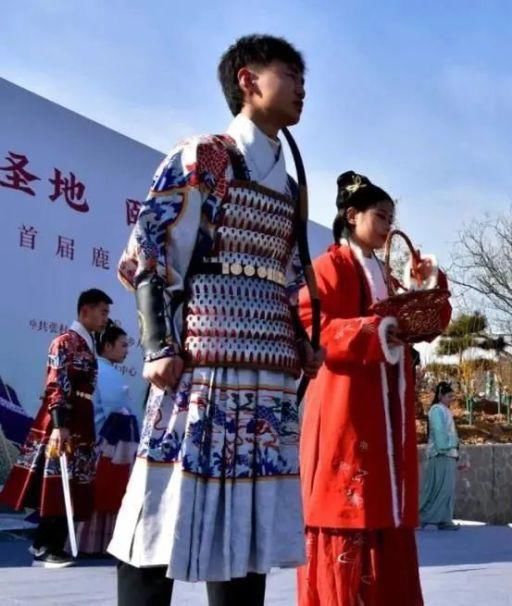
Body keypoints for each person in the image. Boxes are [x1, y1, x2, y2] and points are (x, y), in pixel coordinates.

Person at [108, 35, 323, 605]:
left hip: (267, 373)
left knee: (247, 528)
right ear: (249, 80)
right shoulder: (202, 155)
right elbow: (147, 252)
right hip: (200, 364)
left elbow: (290, 272)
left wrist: (302, 339)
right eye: (289, 73)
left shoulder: (291, 184)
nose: (302, 86)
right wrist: (158, 346)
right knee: (162, 510)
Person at [295, 170, 450, 606]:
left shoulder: (387, 274)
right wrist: (376, 331)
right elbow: (311, 326)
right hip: (346, 408)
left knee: (385, 516)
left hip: (387, 413)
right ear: (351, 215)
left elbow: (434, 319)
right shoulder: (328, 267)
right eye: (380, 216)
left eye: (390, 218)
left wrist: (422, 285)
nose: (386, 226)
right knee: (347, 514)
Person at [0, 288, 112, 568]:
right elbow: (56, 384)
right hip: (64, 422)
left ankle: (48, 542)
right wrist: (60, 425)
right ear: (85, 310)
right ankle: (45, 546)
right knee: (56, 482)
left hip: (82, 421)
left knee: (72, 483)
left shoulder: (86, 345)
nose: (105, 319)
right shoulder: (64, 342)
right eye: (103, 312)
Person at [76, 322, 140, 555]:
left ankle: (91, 543)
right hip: (111, 446)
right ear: (107, 346)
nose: (126, 350)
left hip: (101, 444)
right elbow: (118, 410)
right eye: (123, 345)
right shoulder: (106, 373)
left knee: (99, 495)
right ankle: (104, 544)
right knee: (110, 493)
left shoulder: (97, 370)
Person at [420, 382, 461, 530]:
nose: (451, 399)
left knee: (447, 489)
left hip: (448, 454)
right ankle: (422, 516)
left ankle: (444, 519)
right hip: (440, 454)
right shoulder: (436, 410)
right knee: (437, 488)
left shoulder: (445, 410)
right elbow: (439, 434)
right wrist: (450, 444)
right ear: (441, 395)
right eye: (449, 396)